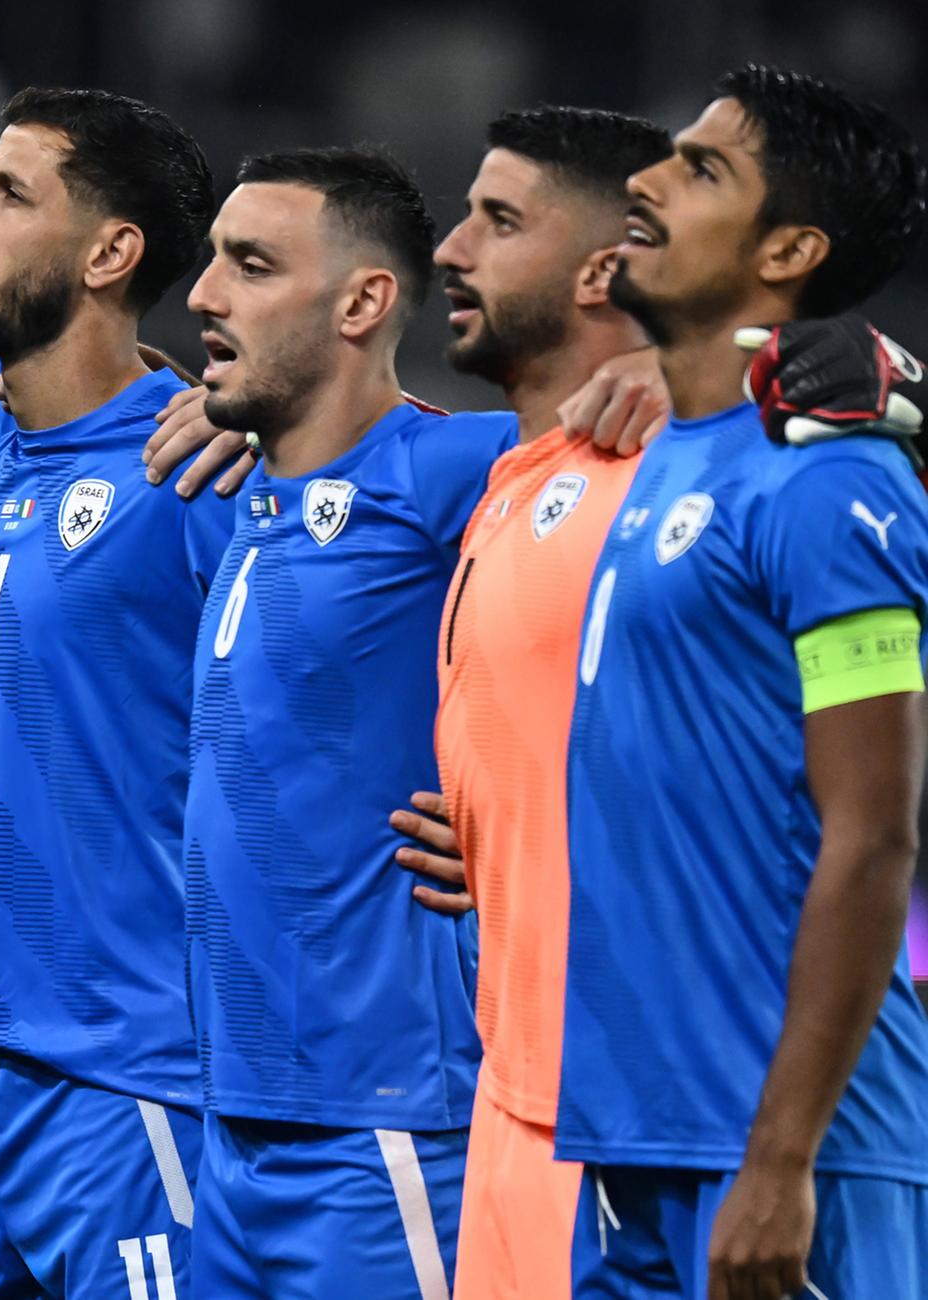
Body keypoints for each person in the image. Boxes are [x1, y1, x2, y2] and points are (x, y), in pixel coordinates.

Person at [557, 66, 928, 1300]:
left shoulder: (833, 482)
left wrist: (782, 1156)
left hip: (789, 1151)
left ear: (789, 248)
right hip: (636, 1140)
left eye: (699, 168)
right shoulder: (670, 455)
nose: (645, 183)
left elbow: (872, 833)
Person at [181, 147, 514, 1299]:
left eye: (250, 264)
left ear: (363, 301)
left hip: (378, 1127)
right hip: (226, 1117)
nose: (203, 293)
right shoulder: (234, 493)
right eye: (212, 260)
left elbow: (712, 506)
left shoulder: (449, 463)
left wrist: (526, 826)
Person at [0, 88, 228, 1300]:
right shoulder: (2, 458)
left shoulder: (198, 461)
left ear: (112, 252)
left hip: (130, 1075)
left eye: (9, 193)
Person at [422, 107, 671, 1300]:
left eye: (496, 220)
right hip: (506, 1098)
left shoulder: (679, 460)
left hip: (632, 1119)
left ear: (600, 271)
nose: (449, 248)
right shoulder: (498, 474)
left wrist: (751, 364)